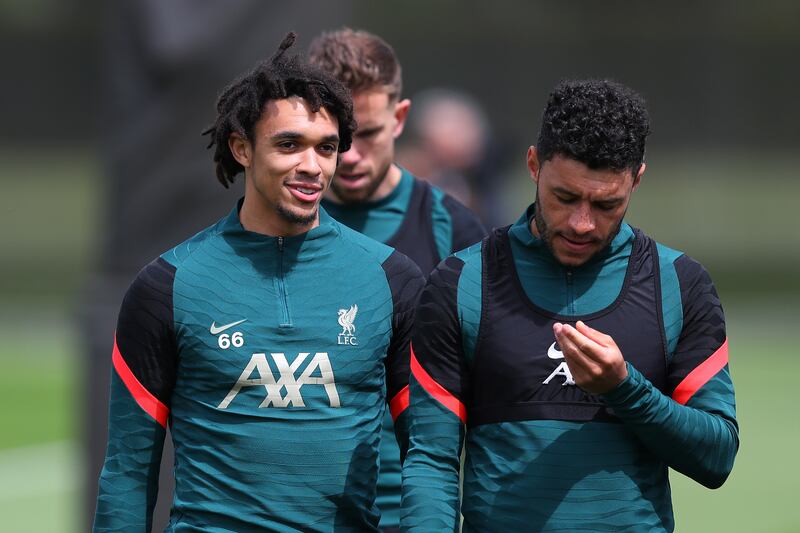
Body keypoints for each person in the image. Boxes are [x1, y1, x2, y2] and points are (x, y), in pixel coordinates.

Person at [93, 33, 424, 532]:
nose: (311, 166)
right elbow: (127, 471)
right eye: (289, 144)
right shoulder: (167, 286)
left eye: (326, 148)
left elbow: (429, 456)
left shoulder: (391, 279)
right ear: (242, 148)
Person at [402, 79, 739, 532]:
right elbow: (431, 461)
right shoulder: (462, 282)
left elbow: (716, 457)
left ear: (636, 180)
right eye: (565, 197)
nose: (581, 223)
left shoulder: (679, 283)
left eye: (606, 204)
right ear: (533, 165)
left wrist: (624, 389)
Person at [308, 28, 486, 531]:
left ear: (400, 118)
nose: (351, 155)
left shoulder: (454, 229)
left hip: (411, 512)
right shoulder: (272, 222)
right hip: (292, 512)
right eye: (338, 135)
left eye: (368, 133)